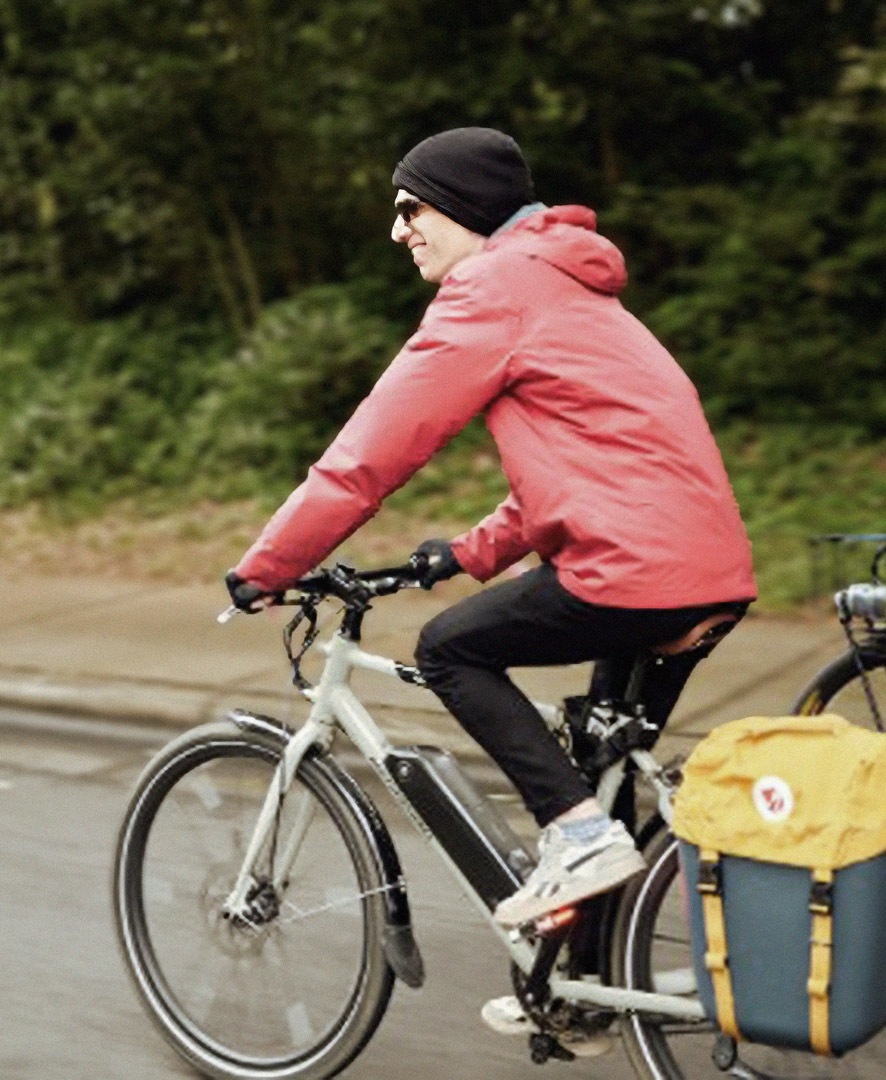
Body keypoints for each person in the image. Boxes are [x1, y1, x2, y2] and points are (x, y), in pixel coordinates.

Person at [226, 128, 756, 1030]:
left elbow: (371, 454)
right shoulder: (564, 285)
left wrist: (268, 565)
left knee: (452, 650)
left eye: (410, 208)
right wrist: (468, 552)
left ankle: (578, 839)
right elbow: (598, 460)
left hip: (632, 565)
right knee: (597, 758)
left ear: (463, 209)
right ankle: (579, 993)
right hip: (700, 564)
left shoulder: (494, 288)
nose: (399, 231)